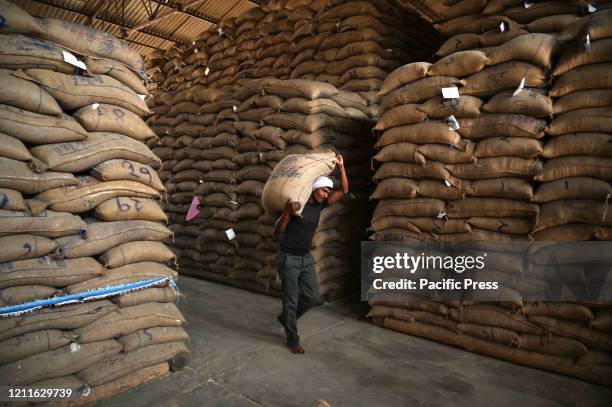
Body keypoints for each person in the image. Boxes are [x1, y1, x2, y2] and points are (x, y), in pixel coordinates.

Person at [273, 154, 349, 354]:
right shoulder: (297, 204)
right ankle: (292, 340)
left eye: (328, 191)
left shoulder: (321, 205)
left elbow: (345, 190)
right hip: (288, 258)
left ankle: (285, 318)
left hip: (305, 258)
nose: (326, 194)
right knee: (291, 301)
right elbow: (277, 231)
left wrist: (341, 166)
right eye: (324, 190)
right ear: (315, 188)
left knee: (312, 297)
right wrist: (287, 214)